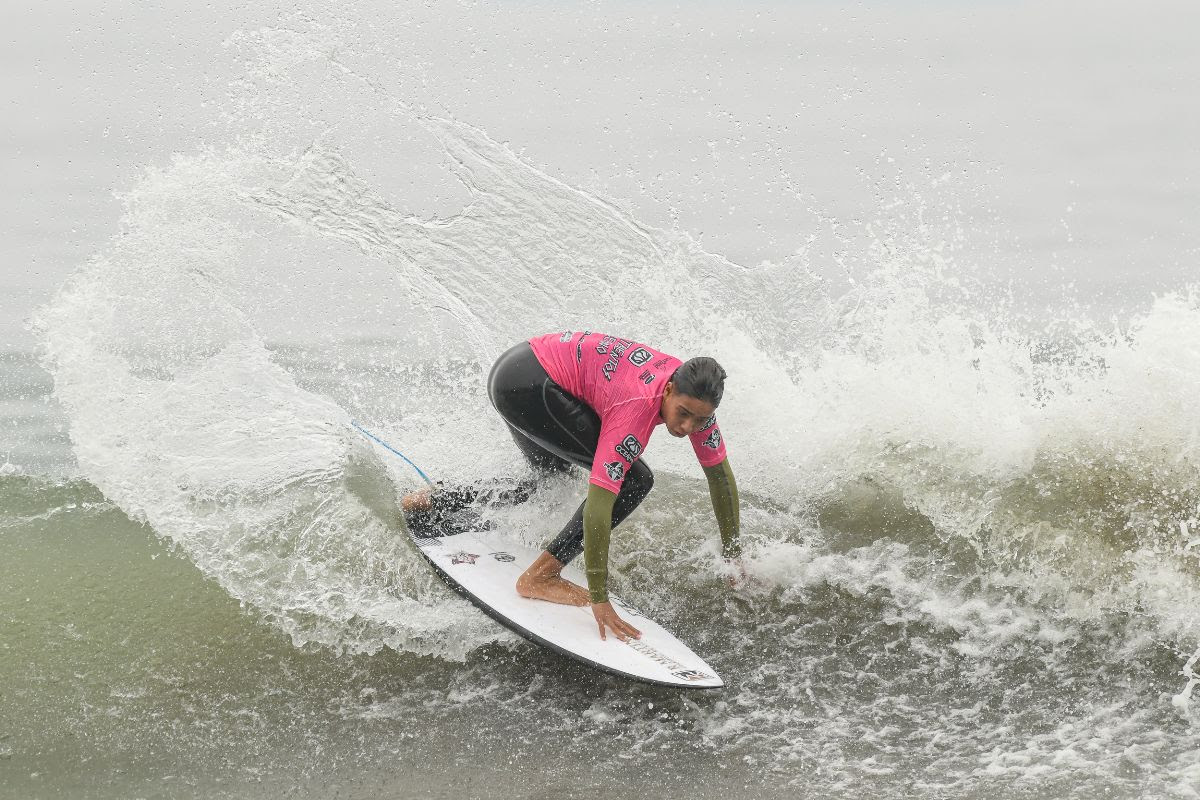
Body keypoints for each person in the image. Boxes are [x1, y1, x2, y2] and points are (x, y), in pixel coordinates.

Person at [404, 331, 741, 641]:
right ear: (668, 389)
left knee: (552, 478)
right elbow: (599, 504)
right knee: (635, 480)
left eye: (700, 419)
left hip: (519, 369)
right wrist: (599, 597)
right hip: (530, 386)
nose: (688, 427)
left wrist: (732, 556)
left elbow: (721, 479)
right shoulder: (635, 408)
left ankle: (439, 501)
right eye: (683, 413)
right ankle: (541, 577)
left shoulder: (694, 401)